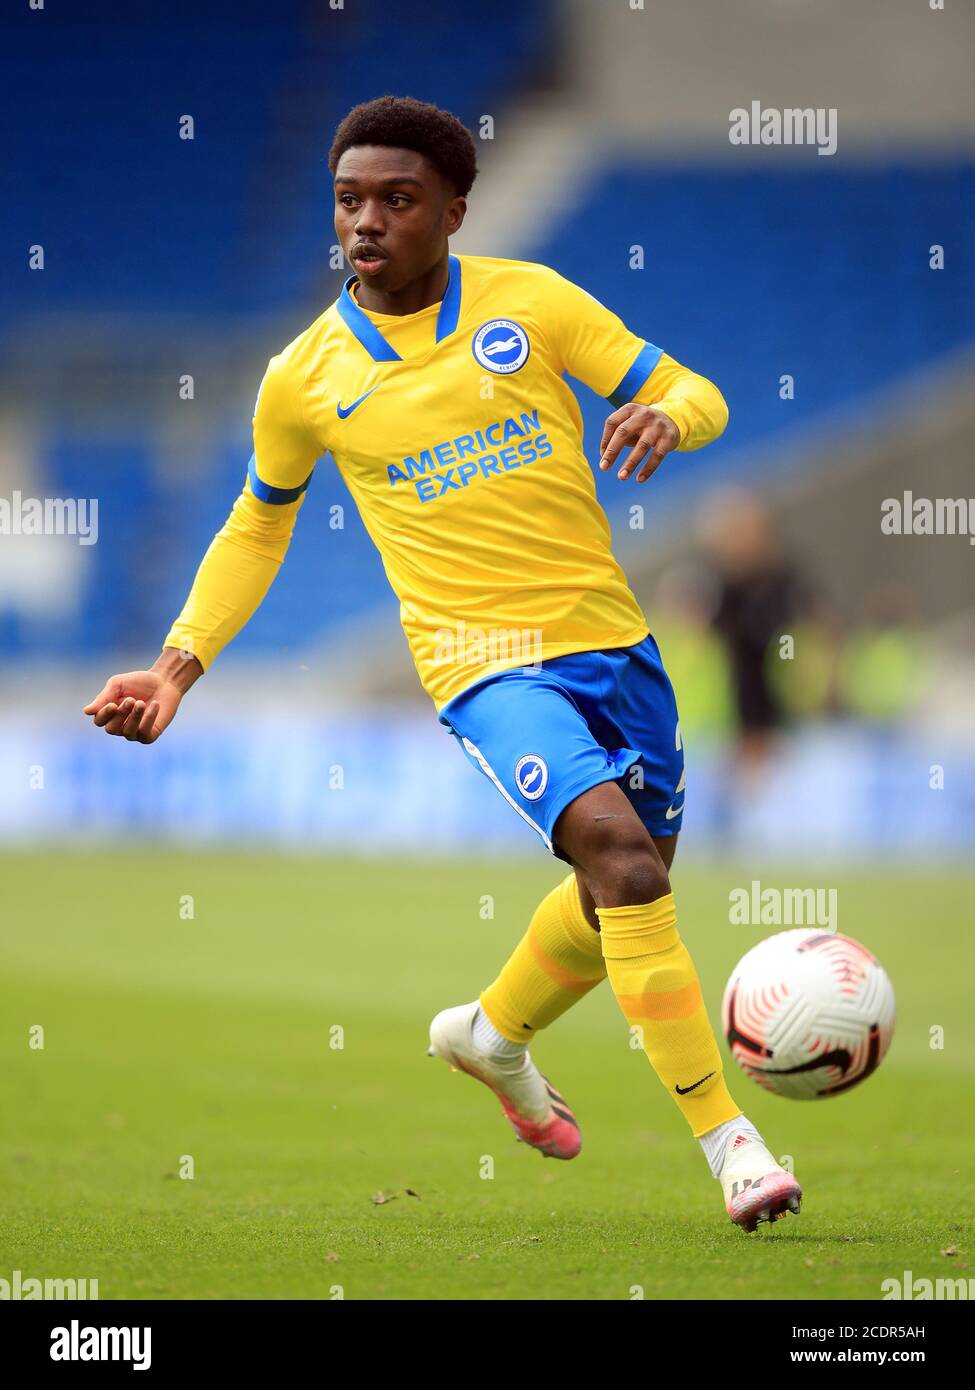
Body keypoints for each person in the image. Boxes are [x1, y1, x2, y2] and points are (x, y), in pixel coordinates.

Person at [83, 96, 800, 1231]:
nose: (365, 222)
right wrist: (179, 666)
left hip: (613, 644)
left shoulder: (533, 301)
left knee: (618, 888)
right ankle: (731, 1140)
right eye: (347, 200)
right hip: (483, 666)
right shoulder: (305, 376)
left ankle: (488, 1033)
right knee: (627, 862)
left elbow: (694, 388)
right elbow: (258, 523)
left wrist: (667, 414)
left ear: (454, 211)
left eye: (396, 200)